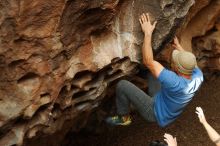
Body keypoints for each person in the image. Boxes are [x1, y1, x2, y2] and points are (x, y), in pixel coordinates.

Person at [105, 12, 204, 127]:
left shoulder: (174, 81)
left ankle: (124, 118)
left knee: (122, 85)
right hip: (166, 103)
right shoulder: (198, 76)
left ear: (177, 68)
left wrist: (147, 33)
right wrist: (178, 46)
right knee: (154, 72)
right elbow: (192, 62)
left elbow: (148, 61)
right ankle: (136, 97)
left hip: (154, 112)